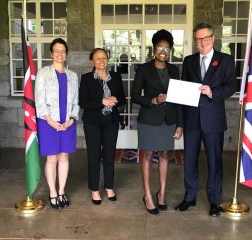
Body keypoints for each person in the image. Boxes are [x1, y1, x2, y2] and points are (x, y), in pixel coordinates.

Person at [175, 23, 237, 217]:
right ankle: (190, 196)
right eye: (198, 39)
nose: (202, 42)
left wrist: (213, 92)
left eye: (205, 38)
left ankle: (214, 201)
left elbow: (231, 86)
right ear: (195, 41)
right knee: (190, 161)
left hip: (213, 120)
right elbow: (183, 89)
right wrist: (180, 122)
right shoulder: (189, 61)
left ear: (213, 38)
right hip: (192, 119)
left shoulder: (225, 60)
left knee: (214, 161)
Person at [131, 29, 183, 215]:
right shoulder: (144, 69)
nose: (163, 51)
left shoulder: (175, 70)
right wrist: (153, 100)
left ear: (170, 51)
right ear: (153, 49)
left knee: (164, 155)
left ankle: (161, 194)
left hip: (169, 119)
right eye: (160, 47)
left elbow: (179, 99)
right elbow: (135, 96)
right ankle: (147, 195)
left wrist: (180, 124)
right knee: (147, 155)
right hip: (149, 119)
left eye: (167, 48)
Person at [35, 38, 79, 209]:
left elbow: (76, 102)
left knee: (64, 157)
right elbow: (39, 100)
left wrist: (71, 120)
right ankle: (52, 192)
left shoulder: (73, 76)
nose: (60, 53)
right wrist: (51, 121)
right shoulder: (43, 73)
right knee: (52, 158)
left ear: (66, 54)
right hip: (48, 122)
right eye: (56, 50)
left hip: (67, 122)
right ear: (51, 53)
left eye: (63, 50)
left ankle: (62, 191)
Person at [79, 48, 126, 205]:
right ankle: (94, 190)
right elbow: (83, 102)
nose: (101, 61)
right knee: (93, 157)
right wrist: (102, 101)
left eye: (104, 58)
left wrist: (115, 99)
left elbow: (123, 99)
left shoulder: (116, 77)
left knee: (109, 155)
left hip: (111, 121)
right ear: (92, 61)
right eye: (97, 58)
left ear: (108, 60)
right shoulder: (86, 78)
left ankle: (109, 187)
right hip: (92, 122)